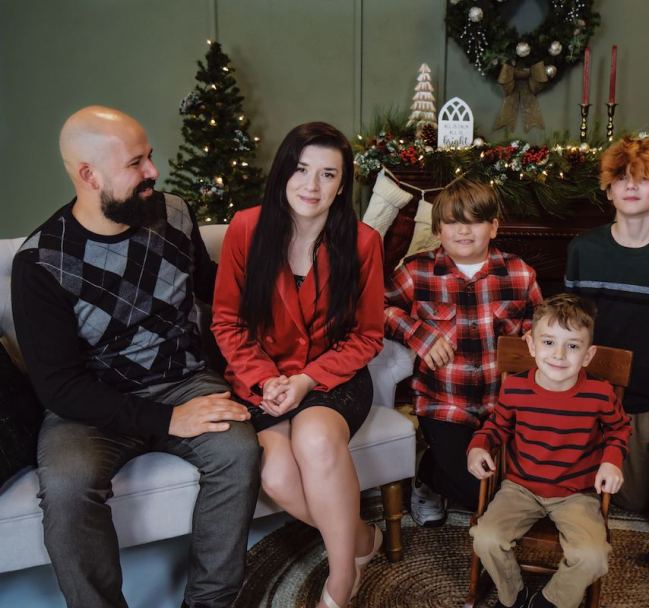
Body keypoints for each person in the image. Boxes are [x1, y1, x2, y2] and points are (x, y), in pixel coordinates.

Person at [10, 106, 260, 608]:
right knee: (66, 488)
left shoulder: (175, 214)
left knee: (237, 452)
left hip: (185, 379)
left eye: (150, 157)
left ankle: (210, 603)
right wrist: (170, 419)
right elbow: (60, 388)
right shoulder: (40, 264)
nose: (153, 172)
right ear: (88, 174)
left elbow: (218, 293)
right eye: (136, 163)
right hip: (90, 406)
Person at [211, 122, 384, 608]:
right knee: (277, 478)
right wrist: (266, 378)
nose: (312, 186)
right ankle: (364, 539)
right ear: (283, 171)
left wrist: (308, 379)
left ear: (343, 183)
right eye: (302, 170)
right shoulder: (246, 229)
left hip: (332, 375)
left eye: (328, 174)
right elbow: (227, 324)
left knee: (314, 438)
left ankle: (341, 581)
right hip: (262, 378)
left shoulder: (363, 241)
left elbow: (368, 335)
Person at [384, 179, 543, 526]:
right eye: (453, 223)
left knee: (516, 489)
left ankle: (438, 467)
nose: (463, 231)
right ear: (439, 230)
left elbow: (539, 328)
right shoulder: (417, 271)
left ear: (494, 227)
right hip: (444, 404)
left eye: (474, 221)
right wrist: (418, 334)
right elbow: (377, 309)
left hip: (501, 405)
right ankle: (428, 476)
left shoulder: (518, 272)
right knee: (477, 493)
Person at [564, 136, 649, 513]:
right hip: (582, 394)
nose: (630, 185)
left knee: (636, 504)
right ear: (608, 191)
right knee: (572, 494)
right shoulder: (583, 250)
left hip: (645, 402)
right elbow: (567, 331)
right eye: (621, 177)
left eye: (642, 178)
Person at [467, 294, 631, 608]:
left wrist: (611, 462)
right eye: (548, 342)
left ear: (588, 354)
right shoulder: (515, 388)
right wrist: (478, 447)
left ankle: (551, 600)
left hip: (576, 493)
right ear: (530, 345)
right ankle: (513, 595)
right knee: (486, 538)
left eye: (572, 346)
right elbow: (496, 426)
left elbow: (619, 429)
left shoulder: (600, 394)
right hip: (520, 487)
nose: (558, 355)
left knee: (593, 556)